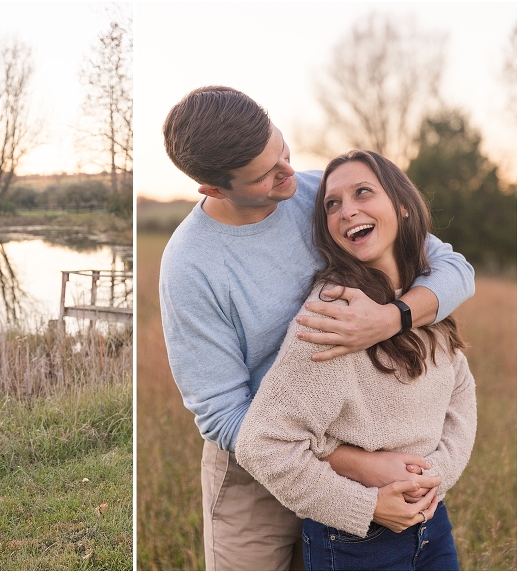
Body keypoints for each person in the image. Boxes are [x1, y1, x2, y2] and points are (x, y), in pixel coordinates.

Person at [159, 86, 476, 570]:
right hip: (256, 463)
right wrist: (351, 462)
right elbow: (221, 413)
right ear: (215, 189)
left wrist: (391, 318)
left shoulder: (323, 196)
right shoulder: (189, 266)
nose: (288, 174)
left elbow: (450, 268)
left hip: (355, 430)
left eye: (282, 151)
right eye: (265, 175)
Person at [235, 150, 477, 570]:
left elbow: (460, 392)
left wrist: (431, 478)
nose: (347, 211)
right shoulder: (333, 314)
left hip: (432, 522)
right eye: (332, 204)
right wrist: (366, 506)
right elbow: (262, 444)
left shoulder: (426, 295)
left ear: (402, 205)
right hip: (355, 541)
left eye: (362, 192)